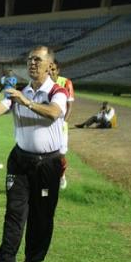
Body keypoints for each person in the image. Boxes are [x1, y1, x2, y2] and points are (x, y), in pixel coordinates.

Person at [0, 46, 68, 262]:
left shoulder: (57, 91)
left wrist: (27, 102)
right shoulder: (16, 92)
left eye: (37, 59)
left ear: (49, 65)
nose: (32, 63)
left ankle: (33, 258)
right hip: (20, 161)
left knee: (42, 217)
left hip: (48, 164)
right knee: (14, 212)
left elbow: (54, 113)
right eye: (29, 59)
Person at [49, 60, 74, 190]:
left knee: (61, 154)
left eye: (53, 69)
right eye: (49, 69)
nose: (50, 72)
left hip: (61, 124)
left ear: (58, 70)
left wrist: (63, 122)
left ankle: (62, 176)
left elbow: (69, 106)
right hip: (47, 123)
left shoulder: (66, 83)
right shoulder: (44, 82)